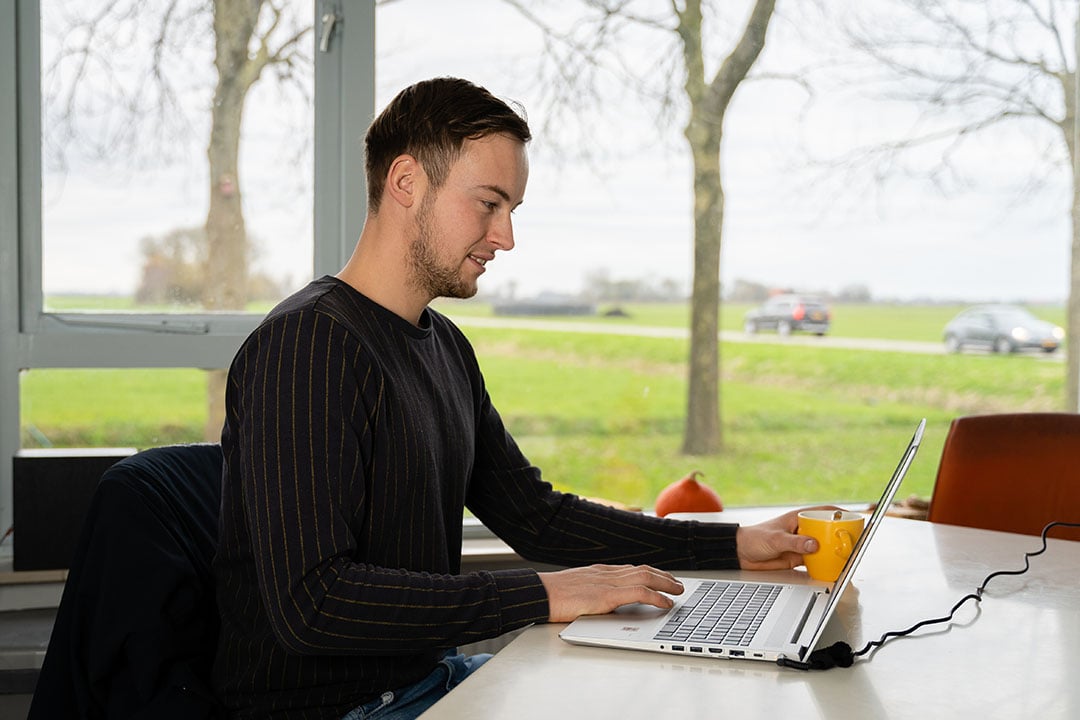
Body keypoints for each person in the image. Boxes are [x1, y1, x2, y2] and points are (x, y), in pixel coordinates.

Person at [212, 77, 821, 720]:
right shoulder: (308, 346)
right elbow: (314, 605)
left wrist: (731, 544)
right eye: (488, 204)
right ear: (406, 183)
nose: (505, 237)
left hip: (426, 681)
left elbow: (537, 516)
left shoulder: (443, 347)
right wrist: (542, 594)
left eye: (513, 210)